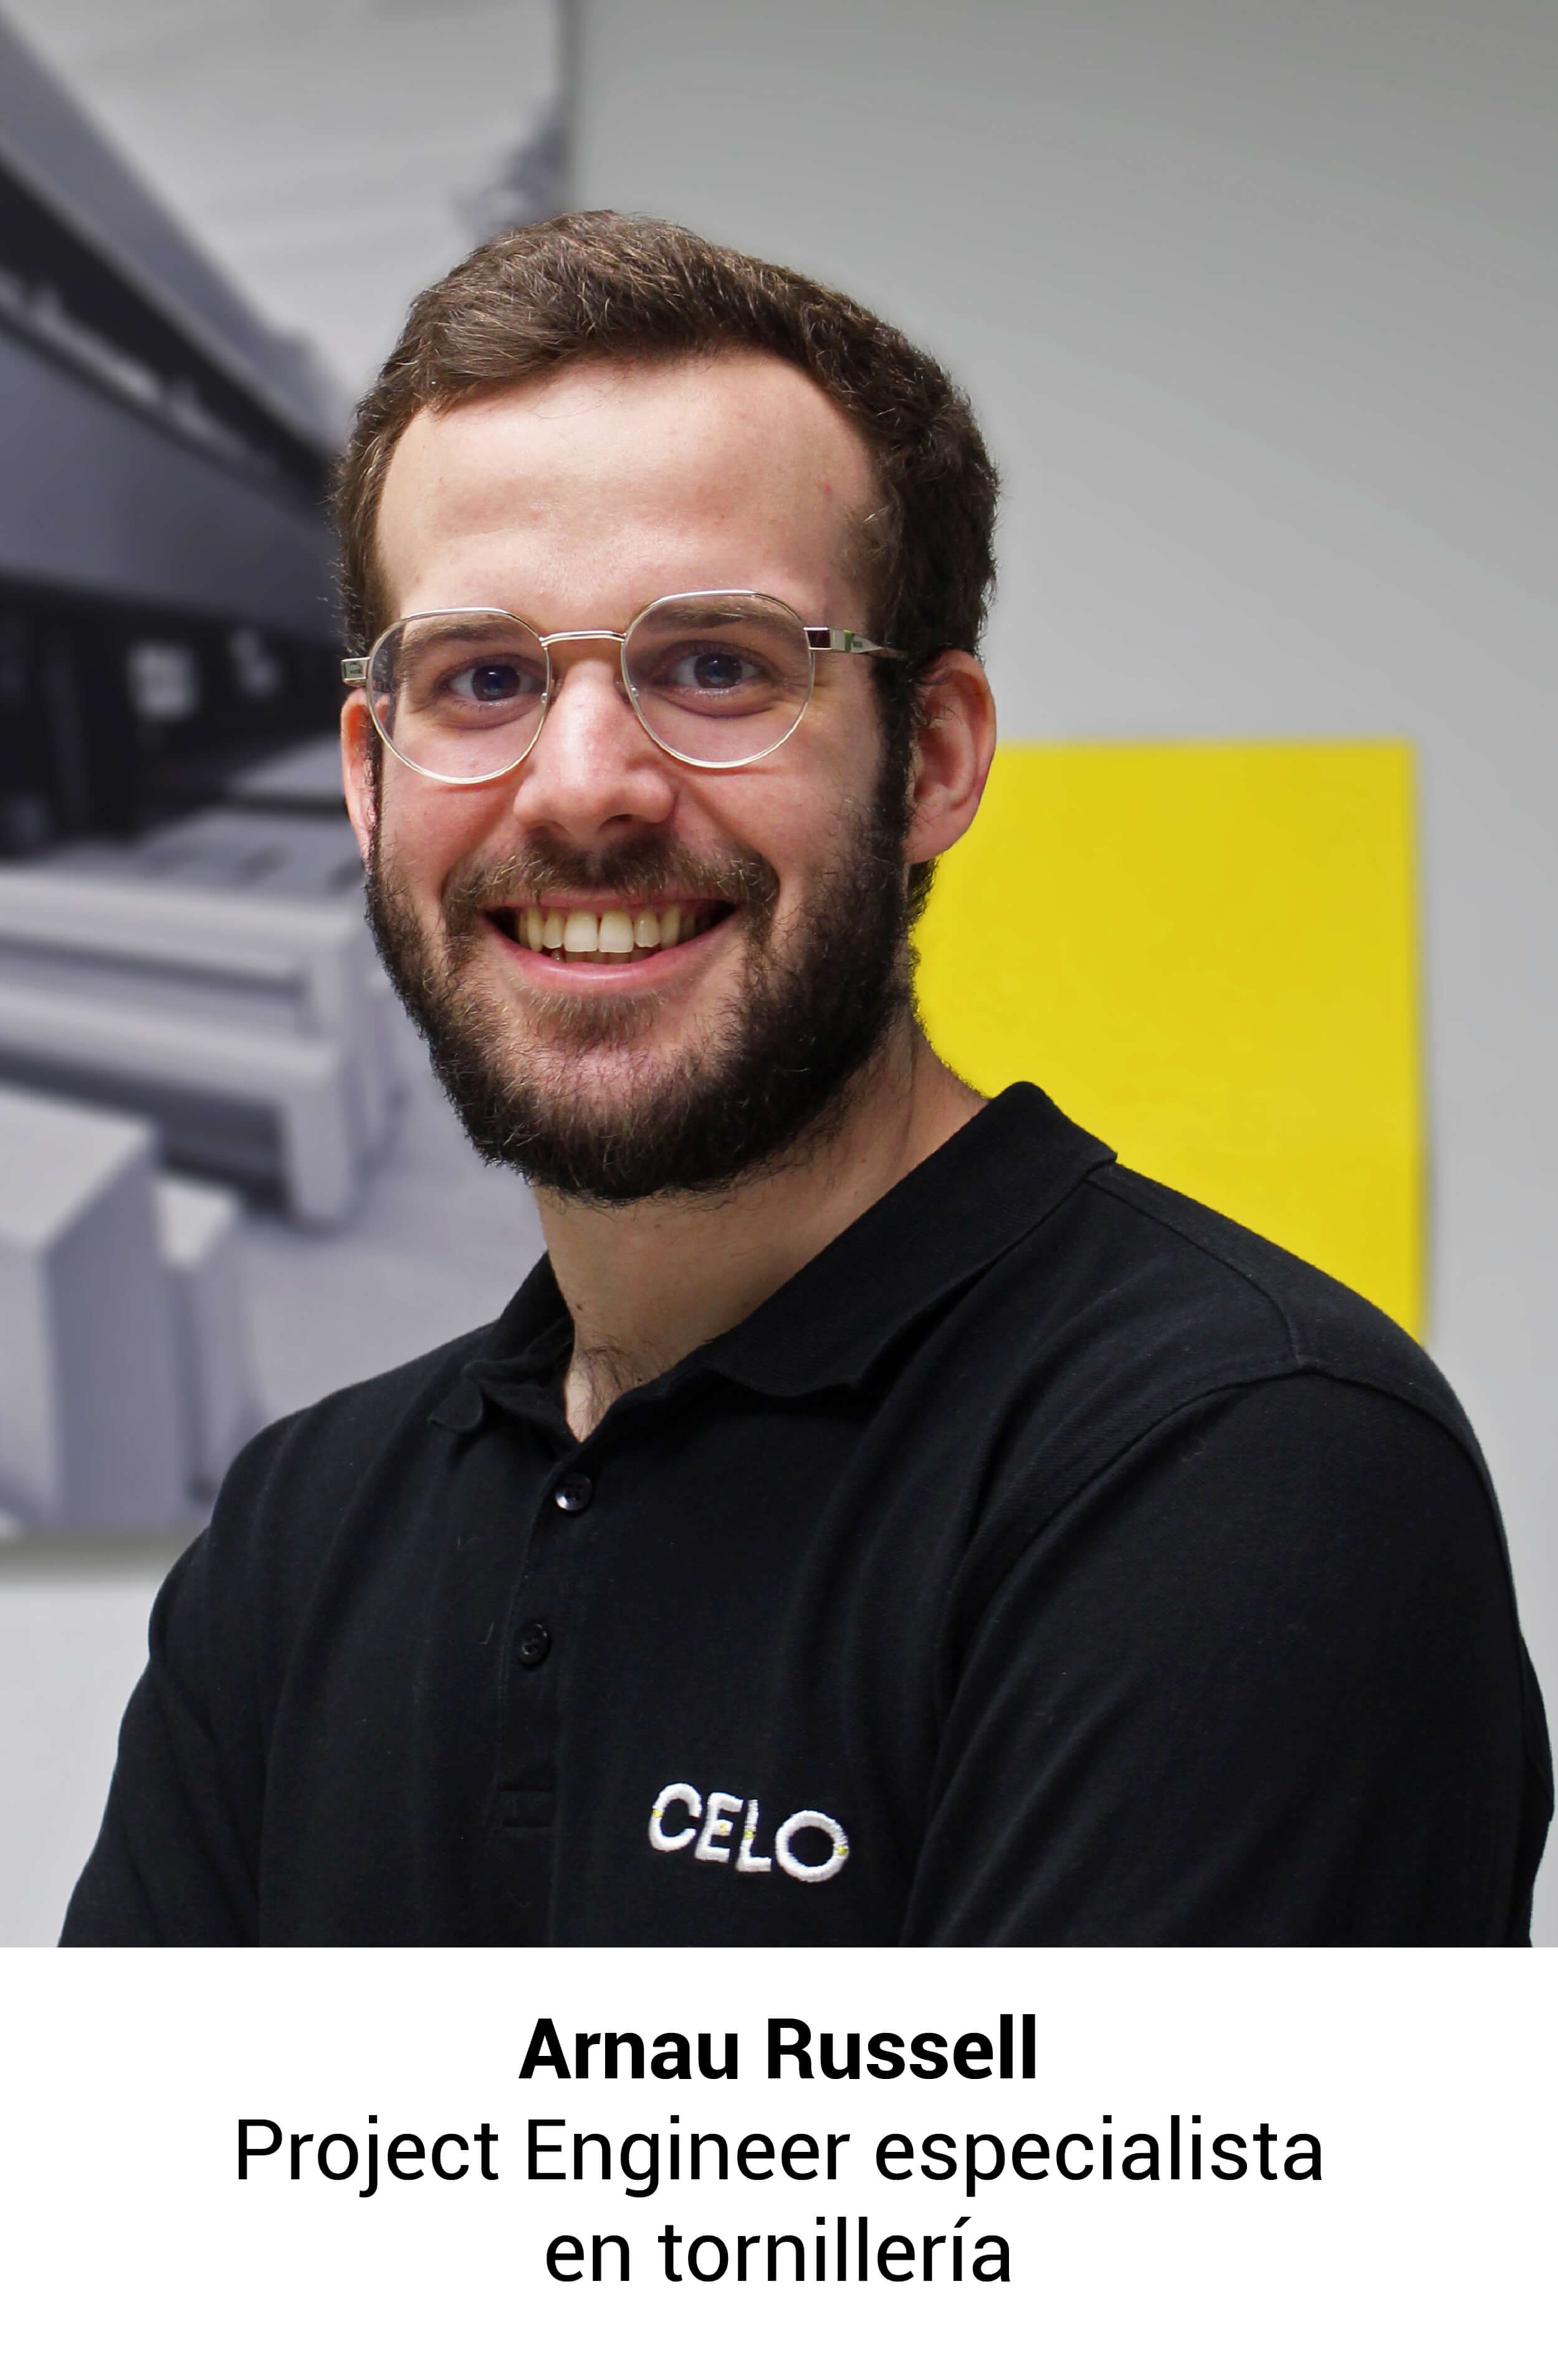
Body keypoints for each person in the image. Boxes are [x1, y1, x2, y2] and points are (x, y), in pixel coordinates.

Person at [63, 214, 1549, 1946]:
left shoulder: (1241, 1468)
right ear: (369, 775)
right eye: (481, 679)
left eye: (716, 665)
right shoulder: (300, 1532)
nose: (583, 785)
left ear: (932, 760)